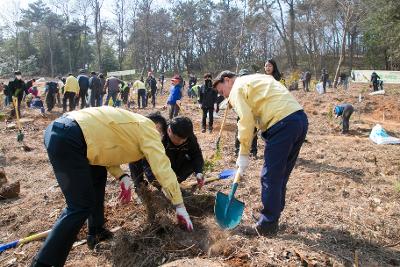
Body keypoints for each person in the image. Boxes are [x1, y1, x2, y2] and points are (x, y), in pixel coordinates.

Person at [31, 107, 194, 267]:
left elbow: (105, 149)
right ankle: (44, 262)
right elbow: (162, 168)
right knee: (79, 206)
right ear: (161, 132)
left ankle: (96, 231)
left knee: (97, 177)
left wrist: (122, 176)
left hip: (69, 133)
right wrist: (179, 206)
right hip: (70, 137)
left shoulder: (130, 126)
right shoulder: (149, 130)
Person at [213, 71, 308, 236]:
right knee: (281, 174)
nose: (225, 96)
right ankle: (273, 216)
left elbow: (245, 121)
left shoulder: (236, 89)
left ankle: (267, 225)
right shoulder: (255, 79)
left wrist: (243, 154)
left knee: (270, 176)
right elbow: (258, 114)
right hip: (298, 119)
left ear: (227, 80)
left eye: (222, 92)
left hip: (281, 123)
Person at [130, 113, 204, 190]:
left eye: (183, 140)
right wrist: (153, 178)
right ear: (169, 130)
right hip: (157, 159)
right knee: (135, 158)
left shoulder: (189, 136)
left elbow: (196, 154)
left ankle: (175, 181)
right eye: (177, 138)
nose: (180, 142)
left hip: (174, 160)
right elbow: (146, 159)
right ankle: (139, 184)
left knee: (191, 162)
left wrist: (199, 172)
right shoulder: (160, 133)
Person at [234, 69, 258, 158]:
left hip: (252, 113)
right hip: (241, 114)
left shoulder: (253, 88)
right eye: (242, 77)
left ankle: (254, 151)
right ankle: (237, 150)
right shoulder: (237, 89)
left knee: (253, 132)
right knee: (239, 131)